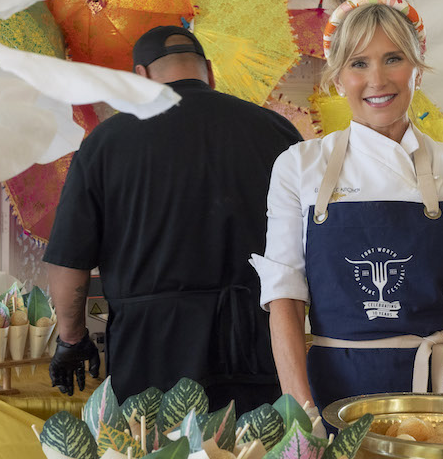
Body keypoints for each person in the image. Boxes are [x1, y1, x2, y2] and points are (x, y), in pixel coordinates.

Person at [250, 0, 443, 459]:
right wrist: (300, 408)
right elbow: (284, 299)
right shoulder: (301, 166)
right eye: (358, 63)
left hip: (433, 398)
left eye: (393, 59)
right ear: (337, 75)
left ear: (417, 65)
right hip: (335, 393)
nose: (377, 80)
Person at [44, 25, 303, 413]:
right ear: (209, 72)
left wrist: (71, 339)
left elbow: (69, 261)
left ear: (141, 77)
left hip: (150, 354)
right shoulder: (276, 131)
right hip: (257, 347)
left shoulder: (105, 143)